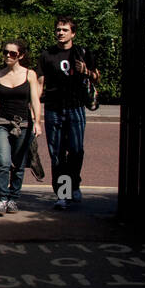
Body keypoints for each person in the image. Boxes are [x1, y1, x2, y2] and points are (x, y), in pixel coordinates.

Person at [38, 16, 100, 210]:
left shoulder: (82, 52)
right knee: (57, 154)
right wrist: (34, 111)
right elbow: (40, 84)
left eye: (65, 30)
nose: (60, 33)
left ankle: (75, 183)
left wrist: (86, 72)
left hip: (75, 107)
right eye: (58, 29)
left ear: (73, 33)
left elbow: (97, 77)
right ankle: (62, 194)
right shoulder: (47, 55)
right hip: (53, 109)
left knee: (76, 150)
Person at [0, 38, 43, 215]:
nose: (7, 55)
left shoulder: (30, 75)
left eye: (12, 53)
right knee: (3, 161)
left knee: (19, 164)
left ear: (20, 55)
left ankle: (14, 198)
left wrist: (37, 122)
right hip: (1, 123)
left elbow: (36, 101)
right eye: (5, 52)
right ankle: (2, 199)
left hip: (24, 123)